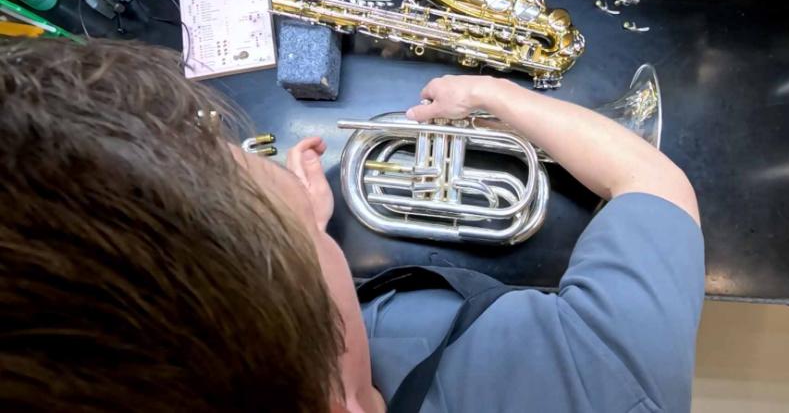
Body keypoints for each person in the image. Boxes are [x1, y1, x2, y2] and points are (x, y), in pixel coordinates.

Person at [0, 38, 703, 413]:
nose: (276, 173)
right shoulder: (600, 389)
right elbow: (655, 184)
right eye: (296, 240)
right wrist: (491, 94)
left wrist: (294, 238)